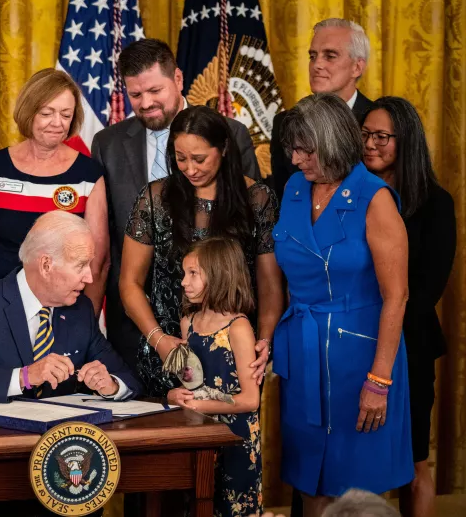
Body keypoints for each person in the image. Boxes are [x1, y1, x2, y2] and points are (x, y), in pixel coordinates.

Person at [272, 93, 413, 516]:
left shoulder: (375, 197)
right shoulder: (295, 187)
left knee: (357, 489)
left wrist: (379, 381)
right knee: (310, 479)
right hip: (302, 352)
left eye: (305, 149)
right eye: (292, 149)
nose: (296, 159)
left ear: (332, 142)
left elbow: (397, 296)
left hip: (362, 361)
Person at [91, 39, 260, 372]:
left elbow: (248, 233)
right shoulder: (106, 144)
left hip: (219, 322)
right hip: (133, 327)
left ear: (178, 80)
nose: (146, 103)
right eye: (135, 95)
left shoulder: (232, 135)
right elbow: (105, 239)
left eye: (155, 90)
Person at [119, 105, 282, 397]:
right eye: (180, 159)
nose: (190, 169)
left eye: (199, 159)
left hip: (236, 355)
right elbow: (130, 283)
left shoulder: (257, 199)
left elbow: (270, 285)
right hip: (169, 353)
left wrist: (265, 340)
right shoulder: (154, 199)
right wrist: (158, 340)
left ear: (224, 149)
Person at [0, 211, 142, 407]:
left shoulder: (80, 310)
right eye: (80, 265)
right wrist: (24, 377)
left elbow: (129, 379)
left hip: (62, 443)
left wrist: (111, 384)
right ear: (46, 265)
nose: (89, 277)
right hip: (0, 441)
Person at [361, 97, 456, 517]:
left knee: (414, 460)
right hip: (355, 343)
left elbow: (428, 289)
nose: (370, 144)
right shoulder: (354, 196)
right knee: (362, 462)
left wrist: (386, 335)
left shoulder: (436, 203)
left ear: (408, 141)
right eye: (364, 134)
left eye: (382, 136)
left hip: (411, 347)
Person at [0, 68, 110, 311]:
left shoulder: (89, 175)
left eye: (66, 115)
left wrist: (85, 322)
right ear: (29, 111)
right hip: (1, 309)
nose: (57, 123)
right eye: (47, 113)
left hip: (68, 312)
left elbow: (97, 262)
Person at [166, 237, 262, 517]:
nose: (184, 282)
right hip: (199, 437)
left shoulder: (239, 326)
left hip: (236, 439)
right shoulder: (188, 323)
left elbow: (250, 400)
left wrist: (197, 405)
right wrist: (175, 396)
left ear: (220, 273)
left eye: (193, 273)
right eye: (185, 273)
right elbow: (189, 382)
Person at [270, 18, 376, 200]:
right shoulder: (284, 123)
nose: (317, 65)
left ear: (357, 67)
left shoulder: (379, 122)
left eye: (330, 56)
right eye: (313, 56)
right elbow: (281, 198)